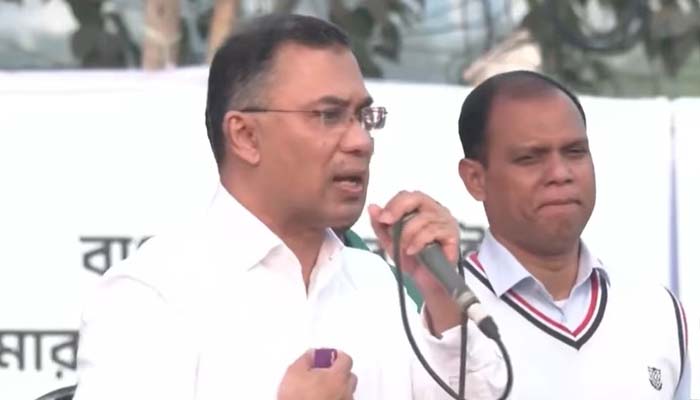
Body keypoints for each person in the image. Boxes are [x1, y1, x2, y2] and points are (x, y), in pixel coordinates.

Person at [73, 14, 507, 400]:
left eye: (363, 117)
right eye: (328, 115)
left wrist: (442, 301)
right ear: (245, 136)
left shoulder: (374, 282)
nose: (361, 141)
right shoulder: (154, 294)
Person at [456, 70, 690, 399]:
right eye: (529, 158)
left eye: (575, 152)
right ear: (475, 179)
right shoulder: (435, 311)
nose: (560, 173)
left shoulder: (656, 310)